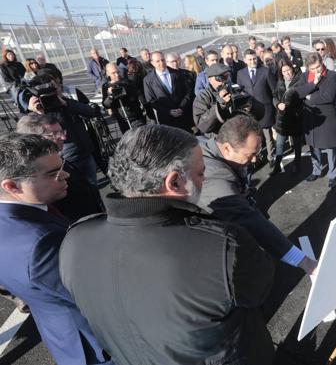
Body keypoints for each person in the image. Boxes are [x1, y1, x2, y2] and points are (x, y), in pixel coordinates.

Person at [59, 125, 275, 365]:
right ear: (174, 183)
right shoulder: (221, 246)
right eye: (201, 174)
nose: (204, 180)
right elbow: (260, 288)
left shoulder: (75, 240)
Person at [0, 133, 113, 365]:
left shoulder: (16, 222)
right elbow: (97, 296)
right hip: (98, 344)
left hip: (61, 334)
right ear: (11, 185)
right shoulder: (41, 242)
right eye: (53, 174)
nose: (66, 174)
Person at [197, 116, 317, 275]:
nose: (254, 160)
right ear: (227, 148)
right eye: (250, 155)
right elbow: (247, 218)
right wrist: (305, 262)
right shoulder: (212, 176)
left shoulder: (215, 148)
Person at [16, 114, 105, 222]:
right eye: (54, 134)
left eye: (62, 131)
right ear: (32, 139)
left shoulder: (58, 158)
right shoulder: (36, 174)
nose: (63, 137)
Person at [22, 73, 99, 185]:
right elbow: (30, 134)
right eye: (52, 88)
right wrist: (35, 112)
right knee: (75, 192)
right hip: (65, 160)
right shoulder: (38, 111)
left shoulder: (66, 102)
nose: (57, 89)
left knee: (93, 186)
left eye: (56, 86)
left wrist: (66, 103)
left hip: (86, 154)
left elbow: (90, 112)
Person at [295, 52, 336, 187]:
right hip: (310, 118)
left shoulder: (332, 75)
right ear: (308, 68)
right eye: (313, 68)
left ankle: (333, 174)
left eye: (318, 67)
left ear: (322, 63)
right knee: (313, 146)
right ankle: (316, 170)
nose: (316, 71)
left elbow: (328, 97)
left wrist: (309, 96)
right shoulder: (304, 76)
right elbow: (298, 92)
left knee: (330, 148)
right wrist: (313, 84)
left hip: (326, 118)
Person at [237, 49, 277, 165]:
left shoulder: (265, 71)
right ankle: (258, 157)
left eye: (254, 58)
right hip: (250, 111)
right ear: (245, 60)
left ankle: (271, 157)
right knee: (253, 136)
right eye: (250, 59)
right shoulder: (240, 73)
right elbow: (240, 91)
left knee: (267, 136)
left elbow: (274, 90)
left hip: (266, 109)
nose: (253, 61)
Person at [143, 51, 195, 132]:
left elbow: (188, 92)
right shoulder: (148, 80)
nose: (161, 63)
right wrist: (168, 111)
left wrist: (181, 107)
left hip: (184, 116)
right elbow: (151, 100)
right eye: (158, 61)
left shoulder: (177, 73)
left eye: (163, 60)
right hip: (166, 120)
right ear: (152, 63)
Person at [271, 59, 303, 175]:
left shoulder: (299, 80)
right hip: (282, 119)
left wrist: (292, 106)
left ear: (292, 69)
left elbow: (302, 99)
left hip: (295, 118)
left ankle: (297, 165)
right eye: (284, 71)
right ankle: (277, 166)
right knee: (279, 144)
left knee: (297, 144)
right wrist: (277, 104)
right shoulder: (280, 82)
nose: (287, 73)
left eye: (288, 70)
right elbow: (274, 96)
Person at [193, 63, 239, 134]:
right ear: (210, 79)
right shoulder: (203, 97)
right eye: (219, 78)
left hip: (236, 133)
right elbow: (202, 126)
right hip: (217, 137)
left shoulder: (233, 89)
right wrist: (219, 105)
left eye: (226, 77)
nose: (223, 81)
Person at [102, 63, 146, 133]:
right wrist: (110, 96)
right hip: (122, 120)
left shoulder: (127, 81)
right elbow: (106, 105)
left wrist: (125, 90)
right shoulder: (106, 87)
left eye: (117, 72)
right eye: (113, 73)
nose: (117, 75)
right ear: (107, 74)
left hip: (135, 116)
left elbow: (136, 94)